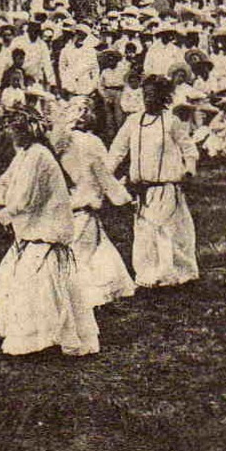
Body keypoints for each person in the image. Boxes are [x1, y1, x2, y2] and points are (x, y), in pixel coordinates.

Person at [0, 109, 100, 356]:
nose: (13, 135)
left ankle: (48, 338)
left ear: (29, 132)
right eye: (12, 130)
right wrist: (0, 206)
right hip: (31, 231)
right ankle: (41, 337)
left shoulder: (39, 155)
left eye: (17, 130)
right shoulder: (24, 155)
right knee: (17, 278)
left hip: (47, 231)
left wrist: (1, 216)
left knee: (36, 281)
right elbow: (0, 183)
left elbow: (28, 199)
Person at [109, 74, 199, 287]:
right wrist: (106, 176)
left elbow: (189, 149)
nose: (148, 99)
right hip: (141, 189)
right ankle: (148, 274)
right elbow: (117, 150)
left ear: (164, 97)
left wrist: (188, 172)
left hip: (166, 187)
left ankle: (172, 274)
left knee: (167, 231)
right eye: (145, 95)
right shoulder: (133, 121)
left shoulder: (171, 122)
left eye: (153, 95)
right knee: (145, 232)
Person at [58, 97, 136, 307]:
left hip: (61, 209)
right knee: (87, 253)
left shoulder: (56, 145)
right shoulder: (92, 143)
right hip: (85, 207)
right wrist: (123, 198)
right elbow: (104, 176)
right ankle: (87, 295)